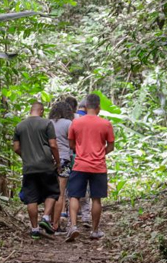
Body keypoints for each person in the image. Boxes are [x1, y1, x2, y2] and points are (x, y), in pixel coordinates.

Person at [66, 94, 115, 241]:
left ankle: (73, 226)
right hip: (98, 166)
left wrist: (81, 151)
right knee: (96, 198)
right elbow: (111, 146)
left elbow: (71, 144)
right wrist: (100, 153)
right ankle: (94, 230)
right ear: (98, 107)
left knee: (74, 195)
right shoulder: (106, 124)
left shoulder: (76, 122)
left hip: (80, 164)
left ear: (86, 107)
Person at [13, 101, 60, 239]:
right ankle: (45, 217)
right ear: (41, 111)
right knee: (52, 191)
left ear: (30, 110)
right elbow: (53, 145)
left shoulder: (19, 126)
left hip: (29, 167)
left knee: (31, 198)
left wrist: (26, 156)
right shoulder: (46, 123)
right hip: (46, 165)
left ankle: (34, 229)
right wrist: (57, 162)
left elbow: (16, 148)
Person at [49, 100, 76, 232]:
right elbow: (73, 142)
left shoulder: (48, 123)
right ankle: (56, 224)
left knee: (50, 193)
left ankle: (47, 220)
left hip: (49, 160)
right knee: (60, 193)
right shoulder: (69, 124)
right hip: (64, 158)